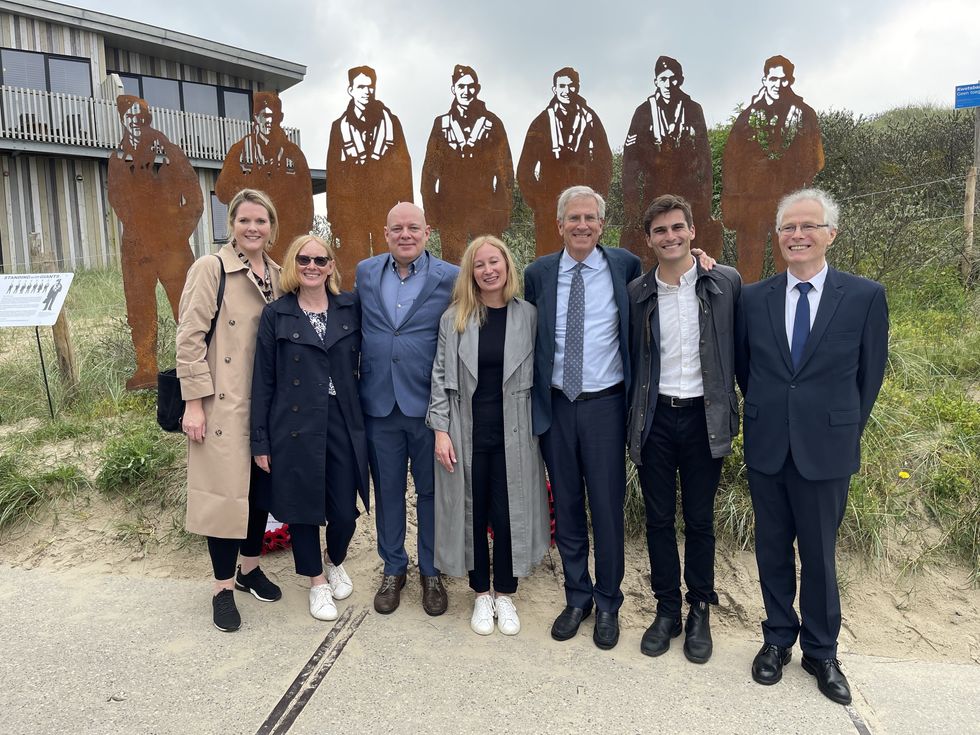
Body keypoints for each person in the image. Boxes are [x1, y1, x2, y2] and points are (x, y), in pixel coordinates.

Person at [735, 188, 888, 704]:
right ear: (778, 237)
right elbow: (745, 369)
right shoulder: (753, 298)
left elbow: (870, 375)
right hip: (768, 444)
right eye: (787, 228)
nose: (796, 236)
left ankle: (822, 652)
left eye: (808, 227)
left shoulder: (864, 296)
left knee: (820, 555)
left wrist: (841, 425)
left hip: (827, 448)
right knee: (773, 548)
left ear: (831, 234)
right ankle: (777, 639)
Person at [524, 185, 641, 650]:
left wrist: (703, 258)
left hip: (606, 406)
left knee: (608, 507)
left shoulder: (625, 266)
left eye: (590, 218)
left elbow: (671, 279)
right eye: (573, 218)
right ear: (559, 225)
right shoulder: (539, 273)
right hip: (556, 406)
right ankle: (578, 596)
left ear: (601, 224)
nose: (582, 226)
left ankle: (609, 601)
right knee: (568, 505)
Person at [626, 194, 741, 664]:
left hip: (703, 417)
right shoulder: (638, 293)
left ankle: (699, 610)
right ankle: (667, 608)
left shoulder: (724, 282)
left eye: (678, 228)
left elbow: (743, 350)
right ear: (649, 240)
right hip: (654, 419)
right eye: (660, 231)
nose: (670, 236)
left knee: (698, 520)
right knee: (657, 519)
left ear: (693, 231)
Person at [427, 236, 550, 636]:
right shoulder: (455, 319)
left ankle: (506, 594)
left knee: (508, 511)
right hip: (467, 432)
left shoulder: (528, 315)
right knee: (473, 512)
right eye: (479, 265)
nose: (488, 270)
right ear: (471, 273)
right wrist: (441, 431)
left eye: (494, 262)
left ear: (507, 266)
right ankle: (481, 593)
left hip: (515, 432)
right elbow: (441, 380)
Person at [176, 188, 283, 632]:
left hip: (268, 405)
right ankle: (222, 588)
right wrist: (193, 405)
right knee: (224, 498)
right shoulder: (212, 268)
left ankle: (249, 568)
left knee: (260, 493)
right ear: (231, 225)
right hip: (222, 405)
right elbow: (189, 339)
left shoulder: (279, 274)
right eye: (245, 221)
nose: (253, 228)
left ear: (272, 227)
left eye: (261, 221)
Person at [250, 235, 370, 621]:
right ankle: (317, 583)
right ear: (293, 264)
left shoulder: (350, 307)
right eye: (304, 259)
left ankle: (334, 560)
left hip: (341, 419)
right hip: (295, 424)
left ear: (332, 265)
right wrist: (260, 440)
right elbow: (263, 380)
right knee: (303, 508)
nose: (312, 266)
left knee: (344, 512)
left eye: (321, 259)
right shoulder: (277, 314)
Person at [356, 202, 460, 616]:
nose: (405, 234)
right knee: (389, 492)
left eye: (413, 228)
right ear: (385, 233)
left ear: (427, 232)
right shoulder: (366, 272)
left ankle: (431, 572)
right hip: (379, 404)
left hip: (428, 409)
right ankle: (393, 567)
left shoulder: (450, 277)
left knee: (432, 494)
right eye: (396, 228)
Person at [109, 95, 202, 390]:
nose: (136, 119)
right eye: (130, 114)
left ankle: (197, 363)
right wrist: (139, 233)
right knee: (140, 309)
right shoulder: (117, 158)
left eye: (141, 114)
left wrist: (177, 233)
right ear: (123, 118)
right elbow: (119, 203)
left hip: (173, 248)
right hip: (136, 250)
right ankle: (146, 368)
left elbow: (195, 200)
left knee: (186, 306)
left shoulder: (170, 152)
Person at [722, 55, 824, 283]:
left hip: (790, 204)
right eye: (773, 78)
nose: (778, 84)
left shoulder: (804, 114)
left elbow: (817, 160)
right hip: (752, 207)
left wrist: (795, 181)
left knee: (792, 261)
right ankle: (745, 312)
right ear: (764, 79)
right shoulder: (747, 118)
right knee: (748, 266)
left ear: (791, 80)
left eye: (784, 79)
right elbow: (731, 163)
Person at [620, 56, 722, 269]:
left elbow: (704, 158)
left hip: (688, 193)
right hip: (652, 193)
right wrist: (631, 204)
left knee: (693, 255)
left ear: (680, 80)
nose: (668, 84)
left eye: (673, 79)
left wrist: (705, 201)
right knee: (653, 253)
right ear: (656, 81)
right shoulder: (644, 111)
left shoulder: (693, 109)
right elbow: (630, 161)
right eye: (663, 79)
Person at [421, 65, 514, 264]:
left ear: (477, 88)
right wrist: (433, 213)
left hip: (486, 212)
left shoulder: (492, 123)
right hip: (451, 213)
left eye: (471, 86)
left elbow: (505, 173)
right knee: (453, 272)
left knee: (489, 266)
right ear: (454, 88)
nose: (466, 91)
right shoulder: (442, 125)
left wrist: (503, 212)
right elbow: (429, 174)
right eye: (461, 86)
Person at [327, 66, 414, 276]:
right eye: (361, 87)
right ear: (351, 90)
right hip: (351, 212)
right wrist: (335, 220)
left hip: (385, 210)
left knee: (391, 268)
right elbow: (334, 176)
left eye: (370, 87)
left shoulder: (390, 122)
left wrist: (408, 213)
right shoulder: (339, 127)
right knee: (352, 271)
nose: (367, 91)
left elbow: (404, 169)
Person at [517, 69, 613, 257]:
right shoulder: (542, 122)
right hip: (549, 210)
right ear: (554, 89)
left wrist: (596, 200)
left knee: (587, 260)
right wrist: (539, 203)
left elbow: (605, 163)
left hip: (584, 209)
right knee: (547, 264)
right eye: (562, 86)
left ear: (577, 88)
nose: (566, 90)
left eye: (571, 86)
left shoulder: (590, 119)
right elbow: (524, 170)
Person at [215, 91, 313, 265]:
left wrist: (302, 237)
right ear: (255, 117)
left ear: (280, 117)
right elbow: (222, 193)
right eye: (263, 115)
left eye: (272, 115)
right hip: (252, 242)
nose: (267, 121)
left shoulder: (293, 154)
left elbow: (306, 202)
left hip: (288, 241)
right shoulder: (241, 151)